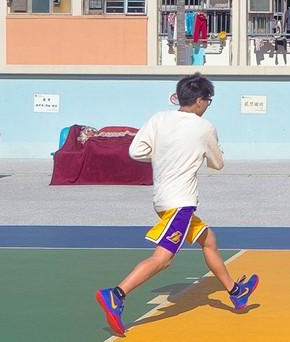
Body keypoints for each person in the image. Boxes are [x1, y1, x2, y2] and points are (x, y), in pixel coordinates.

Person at [95, 73, 260, 336]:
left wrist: (165, 154)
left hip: (162, 200)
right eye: (208, 99)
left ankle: (235, 292)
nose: (208, 104)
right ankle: (116, 294)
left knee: (208, 241)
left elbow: (135, 151)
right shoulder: (204, 127)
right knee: (163, 259)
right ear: (198, 100)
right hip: (180, 203)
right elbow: (218, 164)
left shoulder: (158, 119)